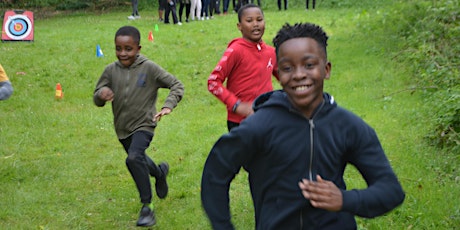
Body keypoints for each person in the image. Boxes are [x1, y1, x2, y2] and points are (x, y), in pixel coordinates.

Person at [201, 22, 405, 229]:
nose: (299, 74)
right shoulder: (259, 126)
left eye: (309, 65)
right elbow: (215, 173)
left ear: (326, 70)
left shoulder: (347, 126)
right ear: (279, 75)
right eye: (288, 68)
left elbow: (391, 190)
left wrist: (345, 200)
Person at [93, 26, 184, 227]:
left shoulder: (149, 68)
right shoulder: (110, 70)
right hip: (122, 128)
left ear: (139, 48)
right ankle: (159, 173)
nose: (123, 53)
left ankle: (147, 208)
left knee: (133, 158)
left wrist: (168, 106)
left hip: (145, 124)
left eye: (128, 49)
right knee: (138, 158)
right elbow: (97, 94)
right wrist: (101, 95)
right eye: (118, 48)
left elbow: (176, 85)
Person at [207, 4, 278, 131]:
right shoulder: (236, 50)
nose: (255, 24)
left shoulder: (271, 52)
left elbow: (287, 78)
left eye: (259, 20)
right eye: (249, 21)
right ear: (239, 26)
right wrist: (237, 105)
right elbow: (213, 82)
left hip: (267, 118)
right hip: (240, 122)